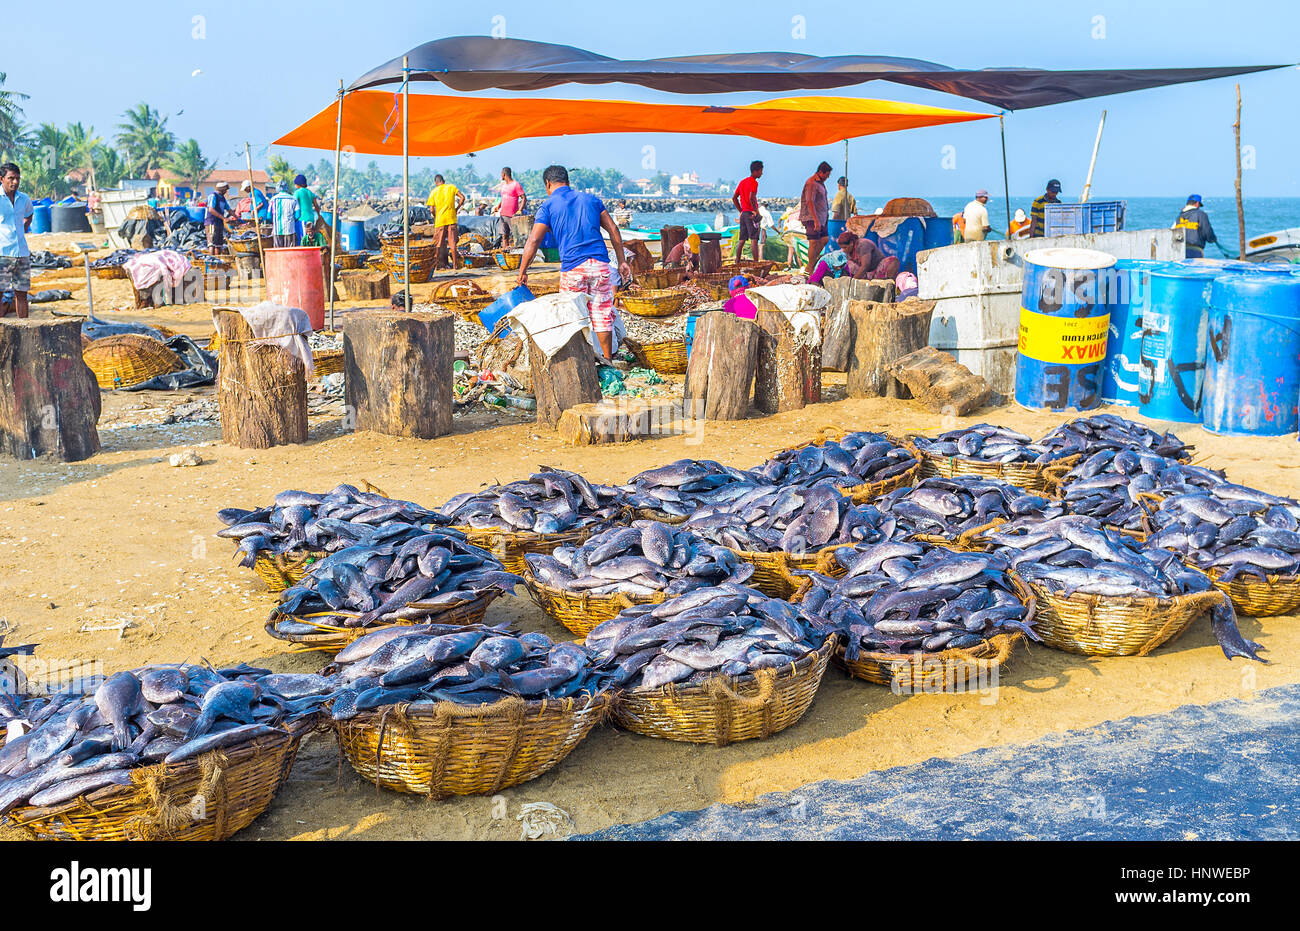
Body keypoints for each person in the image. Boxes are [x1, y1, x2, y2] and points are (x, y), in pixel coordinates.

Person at [516, 164, 632, 361]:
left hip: (573, 268)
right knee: (602, 315)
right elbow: (613, 229)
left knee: (574, 316)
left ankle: (580, 362)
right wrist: (621, 261)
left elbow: (534, 240)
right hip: (600, 265)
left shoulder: (548, 206)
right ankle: (608, 361)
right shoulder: (592, 200)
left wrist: (522, 271)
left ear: (548, 184)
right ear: (568, 182)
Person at [0, 163, 34, 319]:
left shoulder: (24, 198)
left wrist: (22, 230)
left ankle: (24, 328)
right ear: (1, 179)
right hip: (2, 253)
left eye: (17, 178)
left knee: (22, 294)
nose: (15, 182)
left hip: (22, 253)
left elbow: (29, 214)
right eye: (11, 178)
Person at [800, 160, 833, 278]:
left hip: (822, 217)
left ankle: (811, 264)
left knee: (824, 239)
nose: (827, 177)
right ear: (821, 172)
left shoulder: (821, 183)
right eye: (827, 175)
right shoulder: (811, 183)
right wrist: (815, 220)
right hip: (812, 217)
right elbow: (809, 201)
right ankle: (810, 267)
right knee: (813, 242)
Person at [427, 174, 465, 271]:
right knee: (452, 244)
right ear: (443, 180)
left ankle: (435, 266)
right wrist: (456, 208)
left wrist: (436, 216)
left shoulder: (434, 191)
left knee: (437, 244)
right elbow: (462, 197)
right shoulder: (451, 187)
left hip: (440, 220)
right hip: (451, 218)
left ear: (436, 182)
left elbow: (431, 210)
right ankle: (455, 266)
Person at [732, 160, 763, 262]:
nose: (761, 173)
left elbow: (734, 198)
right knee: (754, 239)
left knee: (741, 240)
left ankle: (737, 261)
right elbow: (752, 197)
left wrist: (741, 211)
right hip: (750, 214)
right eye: (761, 171)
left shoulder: (742, 182)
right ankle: (756, 262)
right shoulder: (754, 182)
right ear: (756, 171)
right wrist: (756, 211)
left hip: (744, 214)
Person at [1173, 194, 1217, 259]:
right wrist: (1213, 239)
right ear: (1197, 203)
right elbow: (1207, 232)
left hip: (1180, 251)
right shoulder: (1201, 214)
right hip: (1195, 251)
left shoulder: (1179, 217)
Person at [494, 167, 527, 247]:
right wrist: (498, 206)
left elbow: (524, 198)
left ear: (504, 174)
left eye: (501, 174)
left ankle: (517, 252)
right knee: (504, 236)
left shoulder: (515, 184)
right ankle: (506, 253)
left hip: (512, 215)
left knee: (516, 236)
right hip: (503, 214)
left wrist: (520, 210)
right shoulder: (504, 186)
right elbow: (504, 198)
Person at [293, 174, 323, 247]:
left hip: (302, 219)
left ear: (298, 184)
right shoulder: (310, 193)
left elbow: (293, 204)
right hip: (311, 218)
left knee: (303, 239)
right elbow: (316, 206)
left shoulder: (297, 192)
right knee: (310, 238)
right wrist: (319, 215)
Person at [205, 181, 235, 255]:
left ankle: (217, 260)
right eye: (225, 190)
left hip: (219, 223)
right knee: (212, 243)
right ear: (221, 189)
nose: (226, 191)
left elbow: (229, 209)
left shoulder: (223, 198)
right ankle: (211, 260)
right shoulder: (213, 196)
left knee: (218, 244)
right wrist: (224, 218)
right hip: (211, 222)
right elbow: (211, 209)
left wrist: (236, 217)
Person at [269, 181, 298, 247]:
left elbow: (268, 216)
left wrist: (273, 221)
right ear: (286, 188)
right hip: (290, 229)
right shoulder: (293, 199)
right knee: (290, 250)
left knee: (278, 250)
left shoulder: (273, 199)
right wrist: (292, 221)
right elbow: (298, 214)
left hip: (277, 230)